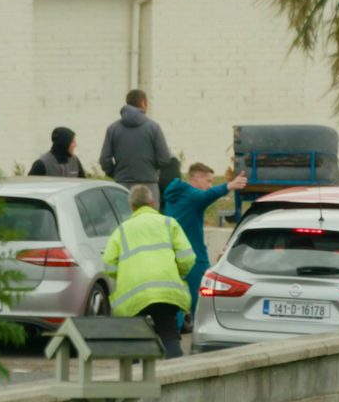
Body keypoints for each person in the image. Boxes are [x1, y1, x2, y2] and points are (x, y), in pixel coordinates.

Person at [103, 185, 195, 359]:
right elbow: (188, 258)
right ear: (152, 203)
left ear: (131, 206)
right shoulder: (169, 224)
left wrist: (124, 275)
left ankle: (136, 380)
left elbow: (108, 264)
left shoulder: (122, 230)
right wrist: (178, 272)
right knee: (169, 335)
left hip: (133, 294)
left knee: (134, 342)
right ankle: (175, 373)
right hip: (166, 290)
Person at [163, 163, 248, 331]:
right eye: (208, 181)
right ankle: (206, 330)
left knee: (176, 295)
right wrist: (229, 186)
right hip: (194, 257)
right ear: (197, 178)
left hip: (172, 256)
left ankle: (175, 330)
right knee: (204, 297)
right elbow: (207, 196)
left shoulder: (175, 196)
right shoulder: (191, 197)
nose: (210, 185)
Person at [99, 89, 172, 201]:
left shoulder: (113, 129)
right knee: (148, 217)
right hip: (149, 186)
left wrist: (117, 173)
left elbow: (105, 160)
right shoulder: (153, 127)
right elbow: (165, 158)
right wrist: (151, 169)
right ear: (143, 103)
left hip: (122, 186)